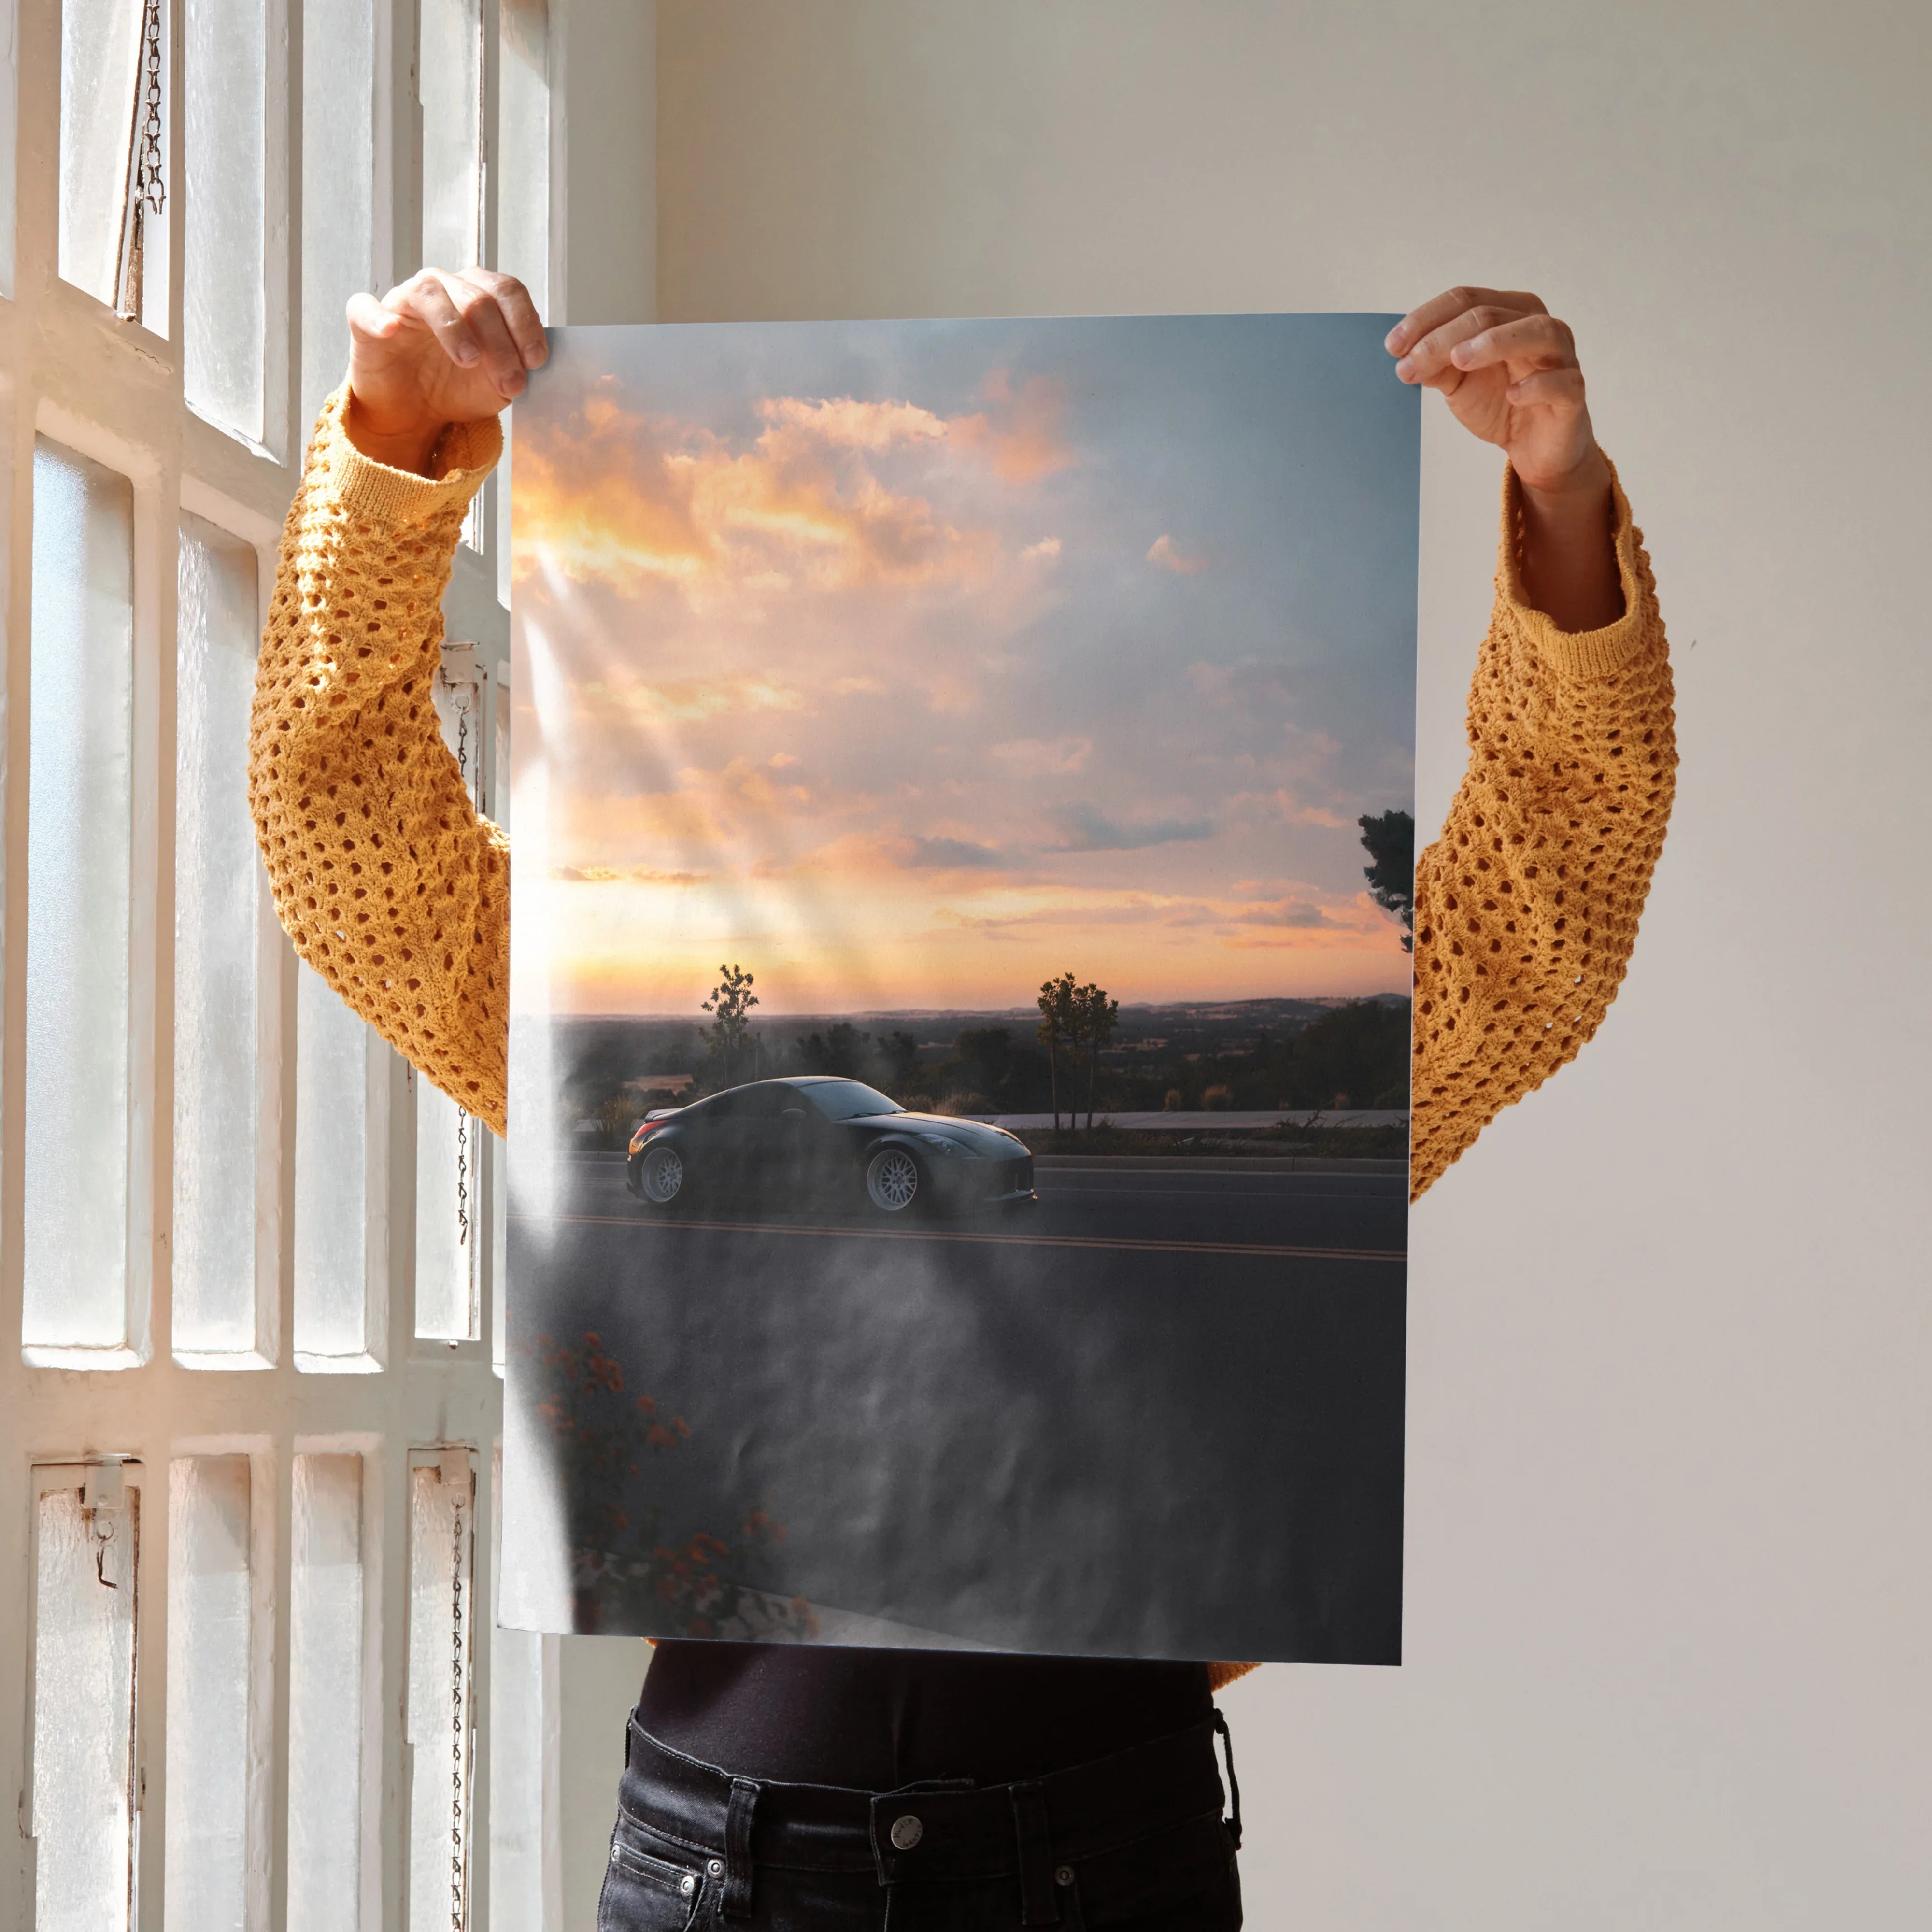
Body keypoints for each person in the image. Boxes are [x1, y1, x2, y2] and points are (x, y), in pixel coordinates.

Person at [250, 270, 1675, 1930]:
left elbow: (1545, 913)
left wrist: (1561, 498)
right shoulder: (597, 1030)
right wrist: (393, 444)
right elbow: (344, 835)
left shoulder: (1252, 1070)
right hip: (727, 1863)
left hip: (1106, 1850)